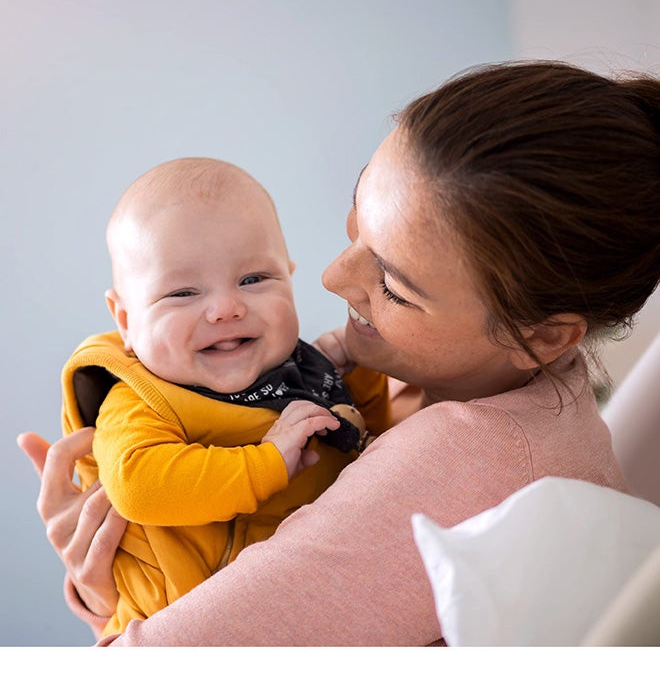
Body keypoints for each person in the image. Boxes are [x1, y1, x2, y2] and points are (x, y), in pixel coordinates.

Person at [19, 60, 660, 646]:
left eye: (392, 285)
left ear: (547, 335)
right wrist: (109, 574)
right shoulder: (420, 381)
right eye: (357, 221)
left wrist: (107, 608)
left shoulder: (465, 458)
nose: (329, 277)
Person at [57, 157, 389, 635]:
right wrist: (266, 462)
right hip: (179, 627)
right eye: (182, 293)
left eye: (253, 280)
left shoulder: (303, 371)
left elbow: (372, 445)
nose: (227, 308)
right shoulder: (141, 399)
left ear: (289, 278)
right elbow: (139, 484)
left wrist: (361, 377)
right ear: (125, 320)